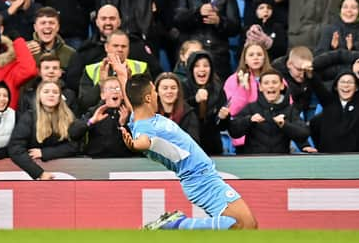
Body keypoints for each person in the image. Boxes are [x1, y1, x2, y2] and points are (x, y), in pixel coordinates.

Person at [121, 73, 258, 229]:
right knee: (244, 226)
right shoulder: (145, 128)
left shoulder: (139, 118)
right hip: (200, 179)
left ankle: (176, 224)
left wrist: (122, 75)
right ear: (147, 98)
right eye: (154, 91)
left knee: (243, 228)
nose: (156, 94)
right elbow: (144, 142)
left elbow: (134, 100)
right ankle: (176, 224)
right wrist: (133, 145)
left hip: (202, 177)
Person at [8, 80, 80, 180]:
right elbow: (15, 148)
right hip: (32, 174)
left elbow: (75, 146)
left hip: (63, 172)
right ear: (39, 96)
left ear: (60, 98)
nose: (51, 95)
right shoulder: (29, 117)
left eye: (55, 92)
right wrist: (39, 173)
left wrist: (45, 153)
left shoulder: (69, 117)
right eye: (46, 92)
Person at [228, 68, 310, 154]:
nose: (271, 86)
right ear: (260, 87)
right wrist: (249, 120)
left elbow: (303, 133)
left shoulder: (290, 109)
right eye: (266, 83)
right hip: (254, 161)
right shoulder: (251, 108)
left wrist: (284, 125)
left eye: (274, 82)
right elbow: (234, 131)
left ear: (282, 85)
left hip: (281, 161)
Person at [155, 72, 200, 143]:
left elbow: (193, 142)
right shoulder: (150, 114)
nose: (169, 91)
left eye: (173, 88)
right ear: (157, 91)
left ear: (178, 91)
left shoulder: (189, 114)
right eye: (165, 88)